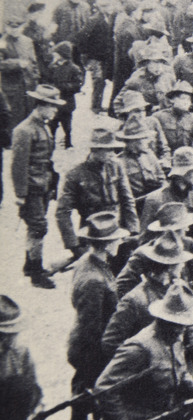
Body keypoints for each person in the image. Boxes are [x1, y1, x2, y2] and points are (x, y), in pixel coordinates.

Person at [94, 282, 193, 420]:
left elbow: (179, 373)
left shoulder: (173, 341)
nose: (181, 331)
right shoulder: (139, 348)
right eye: (178, 325)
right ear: (164, 320)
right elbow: (104, 387)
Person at [67, 212, 129, 420]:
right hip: (90, 350)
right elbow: (90, 327)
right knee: (93, 402)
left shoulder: (90, 262)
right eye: (116, 239)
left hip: (85, 346)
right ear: (106, 243)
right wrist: (100, 359)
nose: (120, 243)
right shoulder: (93, 278)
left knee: (81, 401)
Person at [56, 128, 139, 264]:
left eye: (113, 149)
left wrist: (133, 231)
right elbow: (62, 212)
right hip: (92, 233)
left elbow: (127, 200)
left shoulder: (116, 167)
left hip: (116, 230)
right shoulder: (75, 174)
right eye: (107, 150)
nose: (112, 154)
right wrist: (74, 246)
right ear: (95, 150)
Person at [12, 85, 65, 288]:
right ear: (41, 106)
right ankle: (36, 273)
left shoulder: (42, 125)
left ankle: (29, 264)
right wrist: (20, 194)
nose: (54, 112)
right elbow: (18, 165)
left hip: (42, 185)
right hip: (32, 189)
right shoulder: (24, 130)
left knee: (35, 228)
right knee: (38, 228)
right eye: (52, 107)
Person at [0, 295, 42, 420]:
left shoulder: (20, 352)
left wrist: (35, 411)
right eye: (3, 335)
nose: (9, 339)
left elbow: (33, 389)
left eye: (12, 334)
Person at [42, 41, 84, 148]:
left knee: (67, 125)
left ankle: (68, 142)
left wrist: (63, 87)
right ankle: (51, 143)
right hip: (55, 102)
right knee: (52, 124)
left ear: (62, 55)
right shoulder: (53, 67)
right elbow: (47, 79)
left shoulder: (74, 68)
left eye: (56, 54)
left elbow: (77, 85)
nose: (54, 56)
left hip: (67, 102)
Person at [151, 81, 193, 153]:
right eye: (183, 98)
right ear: (172, 99)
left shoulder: (192, 119)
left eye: (189, 100)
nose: (186, 102)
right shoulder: (158, 117)